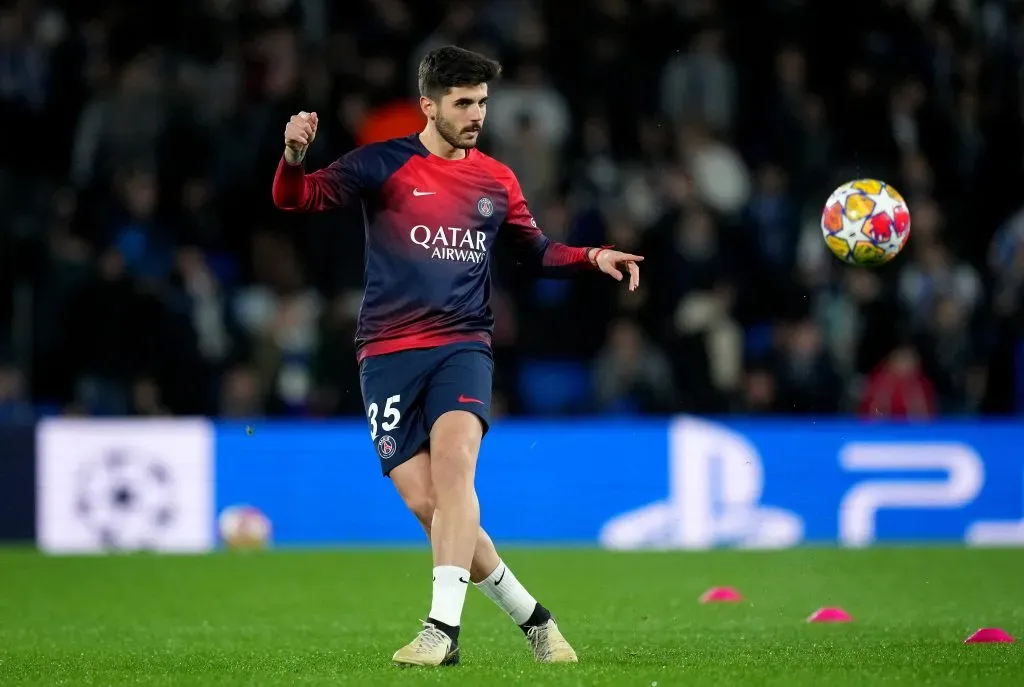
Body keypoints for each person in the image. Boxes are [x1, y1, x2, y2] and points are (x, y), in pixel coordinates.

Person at [271, 45, 643, 667]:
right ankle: (537, 622)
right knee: (429, 505)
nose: (477, 115)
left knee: (455, 469)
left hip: (463, 344)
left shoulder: (495, 180)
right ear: (429, 105)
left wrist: (591, 256)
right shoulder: (382, 164)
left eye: (483, 103)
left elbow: (537, 249)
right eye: (464, 103)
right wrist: (291, 155)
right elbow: (294, 199)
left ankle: (441, 631)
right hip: (386, 355)